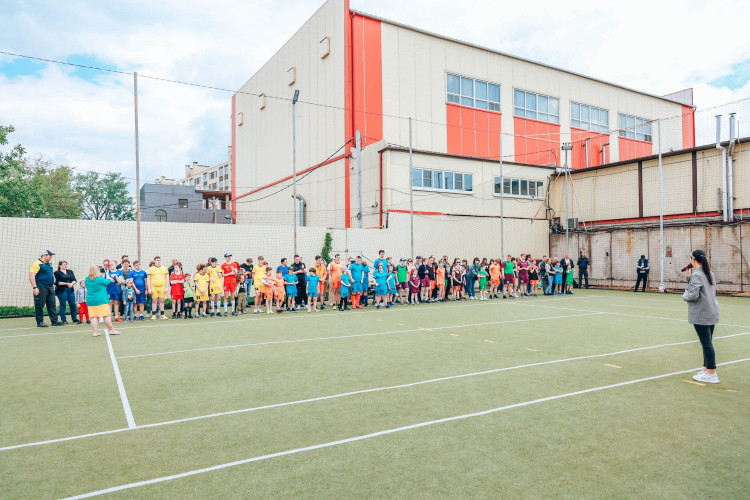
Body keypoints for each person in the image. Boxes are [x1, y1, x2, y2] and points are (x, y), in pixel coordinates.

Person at [683, 250, 721, 384]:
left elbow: (693, 296)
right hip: (712, 311)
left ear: (693, 259)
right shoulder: (710, 273)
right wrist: (689, 278)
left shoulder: (697, 275)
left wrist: (685, 295)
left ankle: (711, 372)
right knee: (707, 341)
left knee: (706, 342)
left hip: (702, 313)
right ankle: (706, 369)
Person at [84, 265, 122, 337]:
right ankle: (112, 330)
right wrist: (108, 275)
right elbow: (108, 281)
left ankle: (95, 332)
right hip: (100, 300)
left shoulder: (87, 279)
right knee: (106, 316)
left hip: (91, 300)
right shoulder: (99, 279)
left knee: (94, 317)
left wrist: (107, 275)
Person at [54, 260, 79, 324]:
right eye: (64, 264)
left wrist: (71, 284)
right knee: (63, 304)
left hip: (70, 290)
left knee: (72, 304)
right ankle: (63, 319)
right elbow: (56, 282)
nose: (66, 266)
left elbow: (74, 280)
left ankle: (74, 318)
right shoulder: (56, 273)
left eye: (66, 264)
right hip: (62, 290)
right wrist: (66, 283)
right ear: (60, 266)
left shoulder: (70, 271)